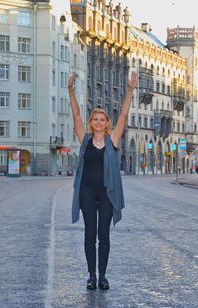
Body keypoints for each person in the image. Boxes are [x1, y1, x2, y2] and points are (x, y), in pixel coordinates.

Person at [68, 71, 137, 290]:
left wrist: (130, 89)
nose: (98, 122)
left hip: (107, 193)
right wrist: (70, 89)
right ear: (91, 122)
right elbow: (76, 115)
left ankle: (103, 276)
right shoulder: (85, 139)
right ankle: (91, 276)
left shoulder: (113, 139)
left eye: (102, 119)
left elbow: (124, 115)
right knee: (89, 235)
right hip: (87, 191)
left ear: (107, 122)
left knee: (103, 236)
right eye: (95, 119)